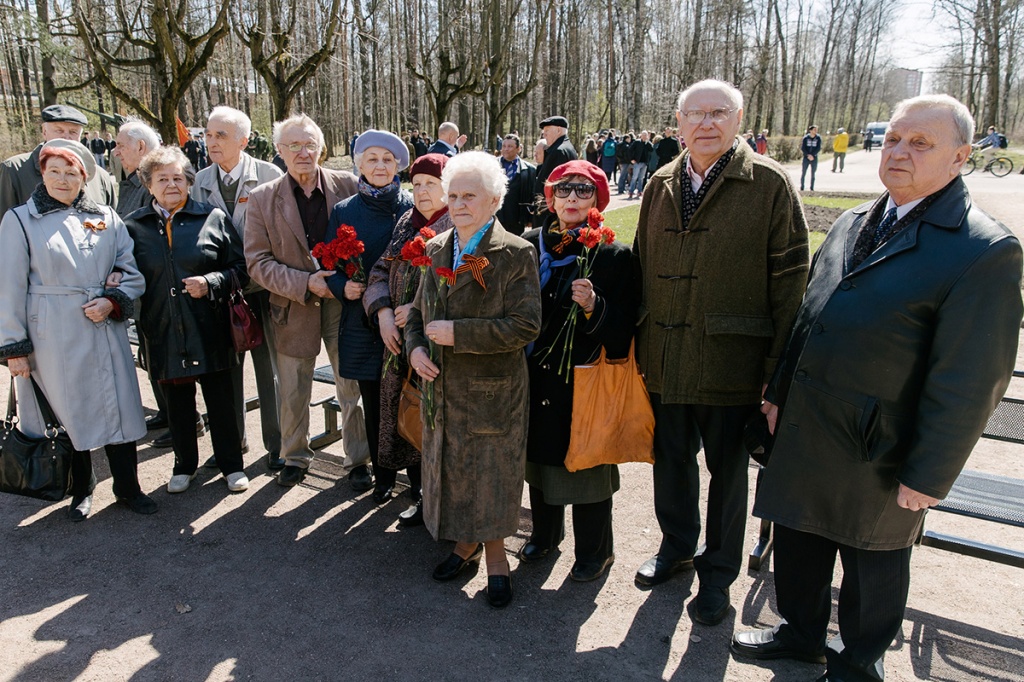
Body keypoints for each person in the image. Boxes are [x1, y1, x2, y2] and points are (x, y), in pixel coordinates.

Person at [731, 94, 1023, 682]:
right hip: (809, 424)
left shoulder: (982, 249)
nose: (899, 152)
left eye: (921, 143)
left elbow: (971, 381)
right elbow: (811, 314)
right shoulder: (854, 220)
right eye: (893, 139)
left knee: (872, 560)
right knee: (800, 541)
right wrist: (778, 389)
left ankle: (860, 660)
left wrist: (929, 473)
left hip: (881, 448)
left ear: (961, 157)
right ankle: (801, 635)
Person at [632, 79, 809, 625]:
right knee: (671, 462)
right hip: (665, 355)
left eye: (718, 113)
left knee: (728, 474)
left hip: (733, 362)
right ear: (678, 123)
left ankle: (719, 575)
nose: (706, 124)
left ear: (738, 119)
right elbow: (642, 264)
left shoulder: (770, 184)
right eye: (695, 114)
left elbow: (791, 283)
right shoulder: (661, 181)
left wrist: (775, 372)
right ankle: (677, 547)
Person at [405, 151, 541, 608]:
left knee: (492, 473)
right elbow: (417, 317)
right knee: (454, 468)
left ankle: (497, 557)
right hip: (441, 387)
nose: (459, 203)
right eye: (453, 195)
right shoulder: (435, 248)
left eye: (470, 195)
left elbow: (525, 326)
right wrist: (417, 349)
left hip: (492, 391)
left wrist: (459, 334)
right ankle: (465, 544)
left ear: (495, 200)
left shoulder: (516, 252)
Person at [0, 141, 156, 520]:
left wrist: (113, 299)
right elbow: (9, 286)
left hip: (104, 326)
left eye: (71, 173)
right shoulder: (20, 220)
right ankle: (81, 489)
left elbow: (130, 269)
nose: (62, 179)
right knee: (71, 409)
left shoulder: (105, 216)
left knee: (119, 406)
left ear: (84, 177)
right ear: (42, 174)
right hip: (52, 334)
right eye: (54, 171)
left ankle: (128, 487)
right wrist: (13, 347)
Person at [519, 160, 635, 582]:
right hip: (533, 376)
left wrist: (594, 307)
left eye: (583, 191)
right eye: (563, 190)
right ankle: (546, 535)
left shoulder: (612, 255)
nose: (571, 198)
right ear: (549, 197)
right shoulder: (527, 245)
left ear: (597, 200)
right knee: (538, 462)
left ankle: (595, 550)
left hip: (583, 383)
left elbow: (624, 332)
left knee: (588, 466)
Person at [243, 114, 370, 489]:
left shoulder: (348, 185)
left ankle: (358, 459)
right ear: (279, 151)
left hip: (342, 305)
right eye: (293, 145)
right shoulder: (264, 198)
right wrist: (304, 283)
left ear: (322, 148)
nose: (302, 152)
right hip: (292, 305)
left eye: (309, 144)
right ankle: (294, 456)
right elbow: (257, 263)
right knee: (294, 389)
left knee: (351, 385)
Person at [124, 146, 249, 495]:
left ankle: (231, 465)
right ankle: (185, 465)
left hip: (209, 325)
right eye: (162, 178)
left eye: (178, 177)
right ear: (149, 184)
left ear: (189, 182)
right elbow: (123, 273)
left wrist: (211, 282)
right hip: (162, 327)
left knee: (221, 399)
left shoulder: (212, 218)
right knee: (177, 405)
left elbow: (240, 270)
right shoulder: (133, 226)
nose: (171, 184)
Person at [192, 106, 285, 469]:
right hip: (221, 290)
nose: (211, 142)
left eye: (221, 136)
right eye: (208, 135)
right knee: (226, 371)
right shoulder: (198, 179)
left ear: (244, 141)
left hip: (262, 290)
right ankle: (231, 443)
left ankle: (277, 446)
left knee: (270, 369)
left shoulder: (269, 175)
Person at [323, 130, 414, 502]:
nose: (380, 166)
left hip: (407, 323)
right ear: (359, 164)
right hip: (362, 323)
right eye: (372, 158)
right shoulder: (345, 210)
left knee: (409, 398)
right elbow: (328, 264)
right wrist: (343, 286)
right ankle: (384, 477)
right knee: (375, 403)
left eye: (388, 160)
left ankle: (419, 481)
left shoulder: (412, 206)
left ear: (398, 168)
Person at [364, 152, 454, 526]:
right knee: (410, 414)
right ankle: (418, 495)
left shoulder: (458, 223)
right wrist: (384, 312)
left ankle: (444, 503)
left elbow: (463, 282)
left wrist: (415, 308)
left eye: (430, 184)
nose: (422, 192)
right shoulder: (406, 222)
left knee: (438, 422)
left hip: (439, 346)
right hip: (400, 345)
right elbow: (379, 270)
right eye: (416, 185)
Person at [0, 105, 117, 217]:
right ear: (44, 132)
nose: (66, 137)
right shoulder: (14, 170)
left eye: (73, 132)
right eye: (59, 130)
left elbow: (114, 227)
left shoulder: (99, 176)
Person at [113, 120, 160, 218]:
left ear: (140, 147)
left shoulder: (154, 186)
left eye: (121, 146)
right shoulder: (140, 183)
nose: (115, 153)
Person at [495, 133, 537, 236]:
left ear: (518, 149)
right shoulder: (492, 166)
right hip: (496, 216)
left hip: (517, 219)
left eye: (510, 146)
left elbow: (533, 195)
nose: (506, 149)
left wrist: (529, 218)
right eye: (504, 146)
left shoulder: (529, 169)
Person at [534, 116, 578, 195]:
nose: (544, 135)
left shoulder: (558, 151)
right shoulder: (567, 147)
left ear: (558, 130)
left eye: (547, 130)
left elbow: (551, 184)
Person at [629, 131, 654, 199]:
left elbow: (652, 149)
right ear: (641, 136)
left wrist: (648, 141)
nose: (644, 137)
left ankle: (640, 191)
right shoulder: (637, 142)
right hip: (637, 162)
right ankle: (631, 191)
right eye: (643, 135)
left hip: (644, 163)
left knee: (641, 178)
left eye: (646, 135)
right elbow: (630, 150)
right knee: (635, 177)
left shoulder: (647, 143)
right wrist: (632, 159)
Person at [800, 125, 822, 191]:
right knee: (803, 172)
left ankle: (812, 187)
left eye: (816, 130)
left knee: (813, 173)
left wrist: (813, 155)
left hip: (814, 158)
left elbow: (818, 148)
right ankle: (802, 187)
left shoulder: (818, 138)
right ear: (810, 130)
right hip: (806, 158)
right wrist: (808, 155)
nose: (815, 131)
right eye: (814, 130)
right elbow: (803, 148)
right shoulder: (806, 138)